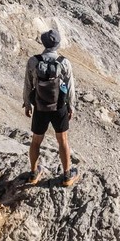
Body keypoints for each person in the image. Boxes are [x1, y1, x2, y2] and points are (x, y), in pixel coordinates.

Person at [24, 28, 78, 186]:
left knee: (36, 141)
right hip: (59, 106)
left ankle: (34, 173)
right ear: (58, 43)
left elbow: (28, 84)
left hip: (40, 106)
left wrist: (27, 103)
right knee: (63, 141)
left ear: (43, 43)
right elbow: (70, 87)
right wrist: (71, 106)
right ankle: (67, 175)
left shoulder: (33, 61)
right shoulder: (64, 62)